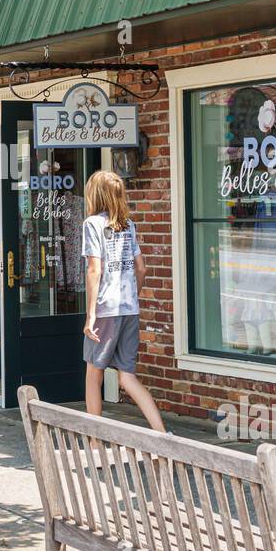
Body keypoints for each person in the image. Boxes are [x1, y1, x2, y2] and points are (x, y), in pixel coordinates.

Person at [81, 170, 165, 432]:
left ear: (95, 195)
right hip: (130, 308)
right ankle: (163, 434)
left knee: (93, 375)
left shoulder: (92, 224)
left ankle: (95, 441)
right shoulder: (129, 225)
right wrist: (133, 295)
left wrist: (91, 314)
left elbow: (95, 269)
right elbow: (142, 268)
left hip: (106, 310)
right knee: (127, 377)